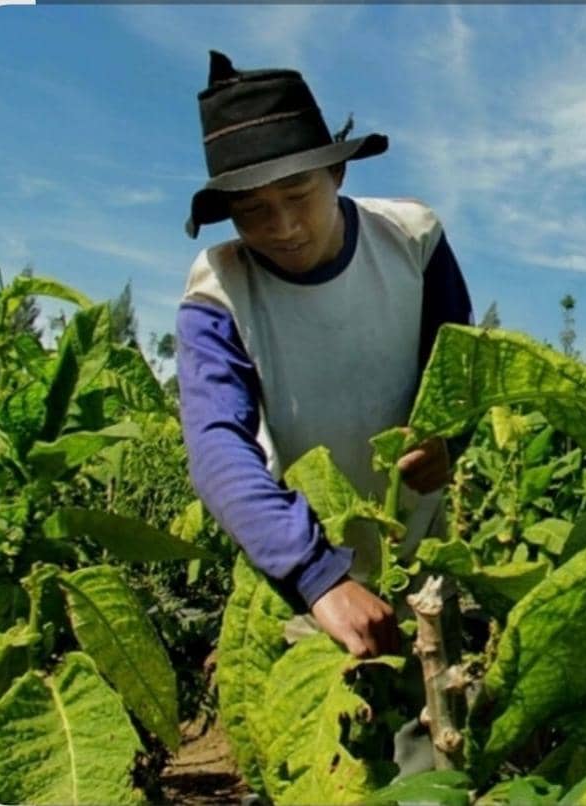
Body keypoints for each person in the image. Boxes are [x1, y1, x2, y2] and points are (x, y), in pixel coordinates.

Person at [176, 51, 472, 661]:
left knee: (438, 709)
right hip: (306, 566)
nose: (284, 226)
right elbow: (216, 444)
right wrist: (317, 576)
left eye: (298, 193)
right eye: (252, 210)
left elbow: (460, 376)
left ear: (335, 173)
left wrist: (449, 442)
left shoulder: (412, 239)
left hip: (422, 551)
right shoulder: (218, 289)